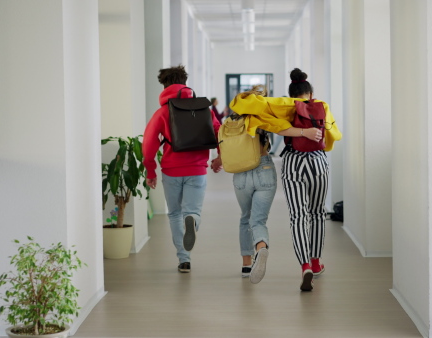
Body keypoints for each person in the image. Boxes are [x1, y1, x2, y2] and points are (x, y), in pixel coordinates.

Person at [228, 68, 342, 291]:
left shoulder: (284, 106)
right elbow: (333, 135)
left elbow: (247, 107)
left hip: (293, 164)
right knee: (317, 212)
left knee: (298, 216)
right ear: (310, 93)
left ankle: (305, 266)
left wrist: (296, 132)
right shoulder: (322, 106)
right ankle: (317, 262)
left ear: (290, 94)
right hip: (319, 162)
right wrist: (313, 133)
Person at [142, 65, 221, 273]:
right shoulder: (205, 108)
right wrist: (220, 157)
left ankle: (184, 259)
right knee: (192, 211)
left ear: (164, 85)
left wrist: (150, 170)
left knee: (175, 214)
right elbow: (219, 132)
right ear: (185, 82)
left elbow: (149, 142)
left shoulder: (162, 112)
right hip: (197, 169)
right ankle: (192, 221)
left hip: (171, 170)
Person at [211, 85, 276, 284]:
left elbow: (228, 149)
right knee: (259, 220)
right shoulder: (262, 117)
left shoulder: (230, 122)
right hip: (263, 168)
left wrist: (218, 161)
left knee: (245, 218)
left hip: (240, 174)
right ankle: (261, 246)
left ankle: (247, 264)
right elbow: (284, 128)